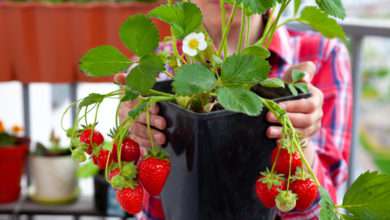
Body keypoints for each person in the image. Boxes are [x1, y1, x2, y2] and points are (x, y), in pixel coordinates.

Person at [115, 0, 352, 219]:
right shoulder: (155, 64)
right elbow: (148, 206)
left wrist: (296, 136)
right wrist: (139, 134)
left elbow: (323, 213)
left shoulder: (322, 56)